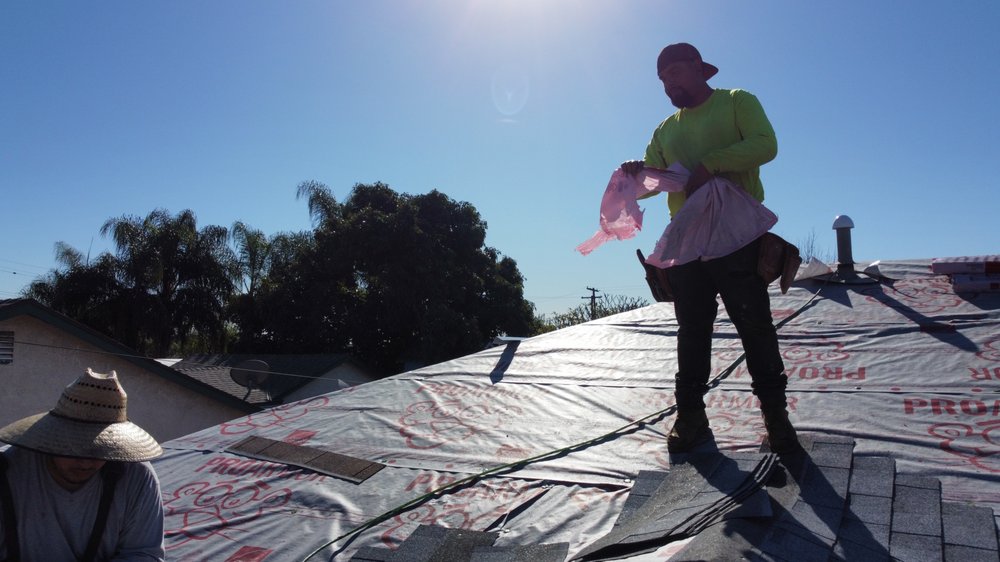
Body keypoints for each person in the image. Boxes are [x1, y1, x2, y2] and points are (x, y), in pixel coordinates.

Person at [621, 43, 799, 454]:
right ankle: (691, 417)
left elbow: (765, 144)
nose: (670, 83)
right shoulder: (665, 130)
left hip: (737, 236)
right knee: (692, 331)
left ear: (701, 70)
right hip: (687, 244)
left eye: (677, 73)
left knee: (754, 326)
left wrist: (712, 163)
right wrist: (635, 176)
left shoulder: (737, 101)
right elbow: (653, 185)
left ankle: (777, 419)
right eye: (664, 79)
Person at [0, 368, 165, 561]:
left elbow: (145, 554)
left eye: (101, 449)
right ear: (52, 437)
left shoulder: (136, 477)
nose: (86, 462)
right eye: (75, 447)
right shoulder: (7, 471)